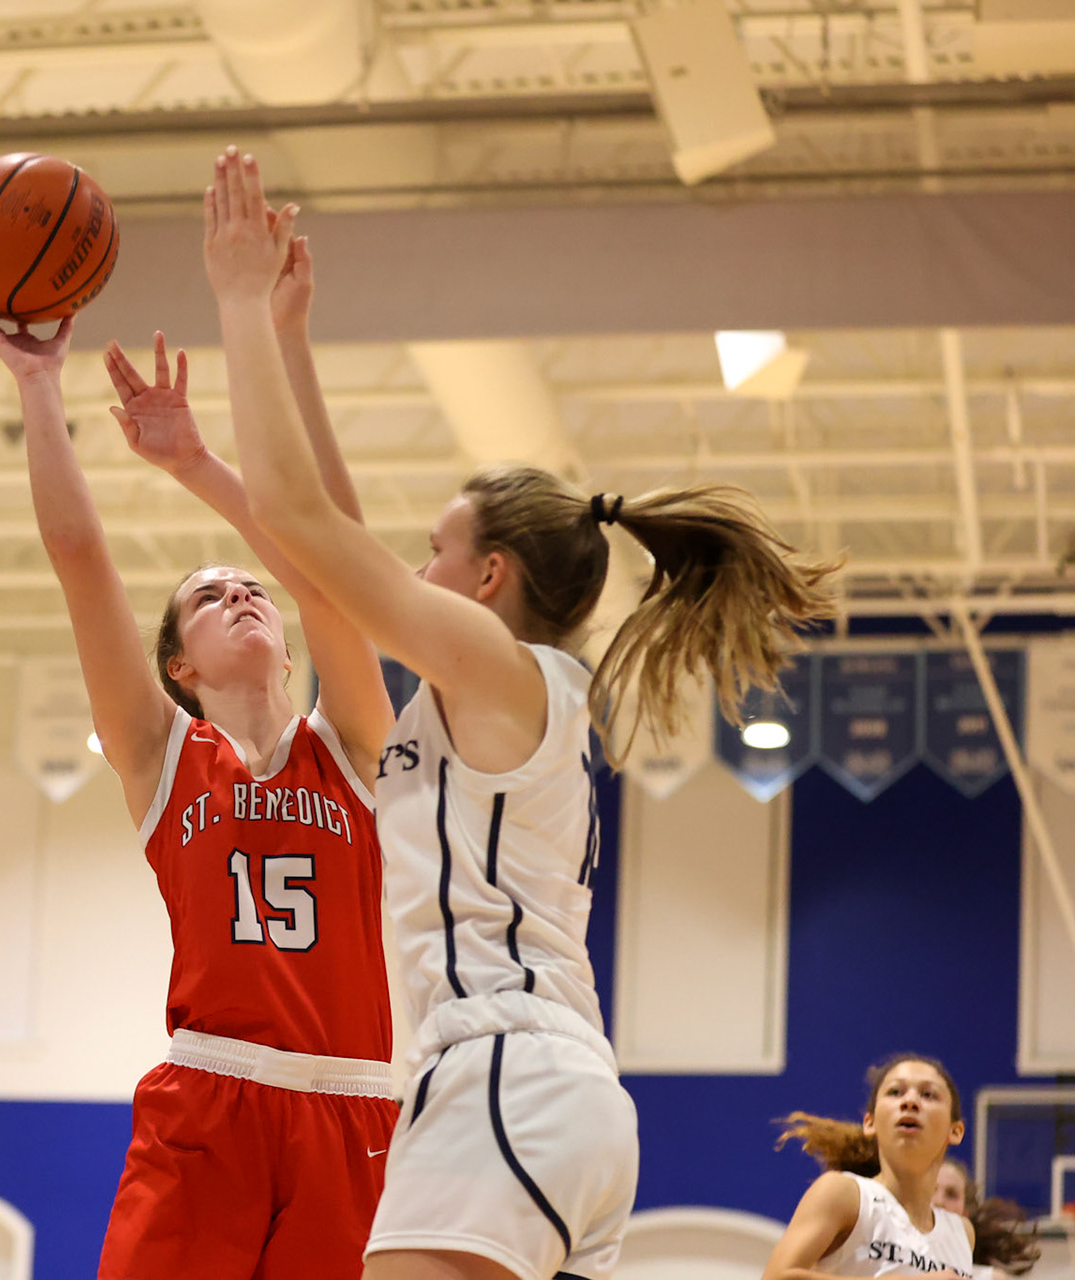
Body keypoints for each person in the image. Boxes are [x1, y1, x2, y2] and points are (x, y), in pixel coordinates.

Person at [199, 145, 839, 1280]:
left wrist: (239, 303)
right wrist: (295, 344)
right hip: (556, 1098)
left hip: (504, 1081)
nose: (413, 568)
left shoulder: (503, 669)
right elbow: (331, 536)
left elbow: (302, 518)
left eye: (437, 550)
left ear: (490, 578)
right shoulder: (509, 691)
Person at [0, 232, 399, 1280]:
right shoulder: (163, 756)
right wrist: (37, 382)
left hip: (356, 1106)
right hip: (209, 1096)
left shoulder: (355, 744)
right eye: (209, 594)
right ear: (179, 665)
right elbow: (81, 560)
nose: (241, 592)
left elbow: (328, 569)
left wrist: (199, 463)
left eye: (252, 587)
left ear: (290, 640)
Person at [765, 1054, 985, 1278]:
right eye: (895, 1092)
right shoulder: (845, 1194)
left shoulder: (962, 1232)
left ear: (955, 1131)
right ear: (870, 1123)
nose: (910, 1102)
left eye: (928, 1094)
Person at [935, 1158, 1039, 1278]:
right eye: (931, 1189)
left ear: (966, 1213)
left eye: (951, 1194)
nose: (938, 1201)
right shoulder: (908, 1263)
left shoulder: (989, 1277)